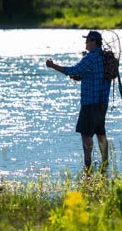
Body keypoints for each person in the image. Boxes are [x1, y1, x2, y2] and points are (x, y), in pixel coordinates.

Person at [46, 30, 110, 171]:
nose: (85, 43)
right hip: (102, 103)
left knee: (86, 134)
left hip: (90, 103)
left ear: (94, 42)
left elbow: (73, 70)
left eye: (87, 41)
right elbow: (92, 74)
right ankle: (105, 164)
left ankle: (87, 165)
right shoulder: (104, 57)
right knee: (101, 133)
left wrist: (52, 65)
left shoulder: (91, 57)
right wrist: (80, 77)